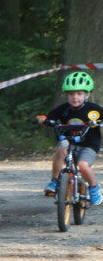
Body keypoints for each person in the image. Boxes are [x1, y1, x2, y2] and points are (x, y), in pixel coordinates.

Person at [38, 71, 102, 206]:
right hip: (69, 141)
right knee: (61, 149)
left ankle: (94, 188)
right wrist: (44, 120)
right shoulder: (64, 109)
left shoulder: (93, 110)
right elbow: (50, 119)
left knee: (83, 166)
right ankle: (55, 181)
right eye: (71, 94)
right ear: (67, 95)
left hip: (88, 144)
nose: (75, 97)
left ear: (87, 94)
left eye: (79, 94)